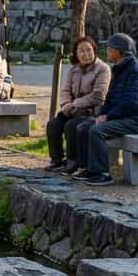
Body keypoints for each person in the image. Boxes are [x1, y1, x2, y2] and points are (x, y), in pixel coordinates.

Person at [73, 33, 138, 185]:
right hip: (120, 117)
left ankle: (102, 173)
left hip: (135, 120)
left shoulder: (136, 72)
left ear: (119, 51)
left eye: (109, 48)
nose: (107, 51)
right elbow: (109, 99)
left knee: (97, 130)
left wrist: (108, 117)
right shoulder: (118, 69)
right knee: (83, 127)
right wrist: (101, 114)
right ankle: (88, 167)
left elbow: (130, 104)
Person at [45, 36, 109, 174]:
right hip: (73, 110)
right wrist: (66, 105)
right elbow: (65, 90)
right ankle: (56, 161)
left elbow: (99, 95)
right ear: (76, 54)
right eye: (82, 51)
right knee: (53, 124)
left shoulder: (103, 69)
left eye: (89, 50)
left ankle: (73, 162)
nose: (86, 54)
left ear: (94, 51)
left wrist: (75, 104)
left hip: (92, 113)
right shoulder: (74, 70)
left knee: (71, 125)